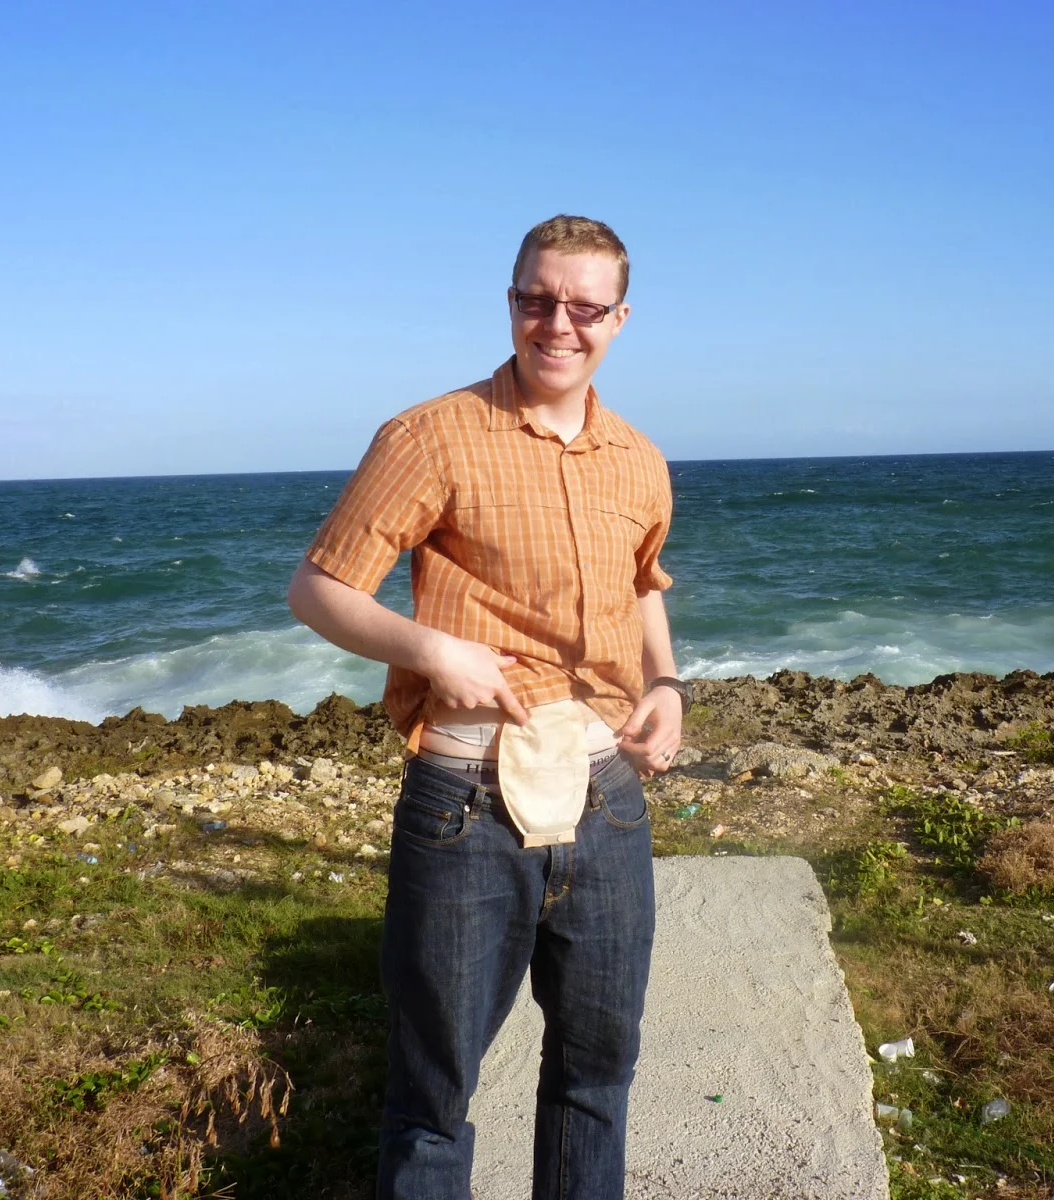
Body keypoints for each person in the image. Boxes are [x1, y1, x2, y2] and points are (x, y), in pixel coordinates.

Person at [287, 214, 686, 1200]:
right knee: (434, 1099)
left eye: (584, 306)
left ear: (619, 318)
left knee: (597, 1078)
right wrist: (427, 647)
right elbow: (318, 588)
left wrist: (667, 687)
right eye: (535, 300)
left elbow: (643, 586)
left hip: (606, 800)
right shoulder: (430, 434)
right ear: (510, 302)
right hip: (465, 805)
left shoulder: (639, 458)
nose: (558, 324)